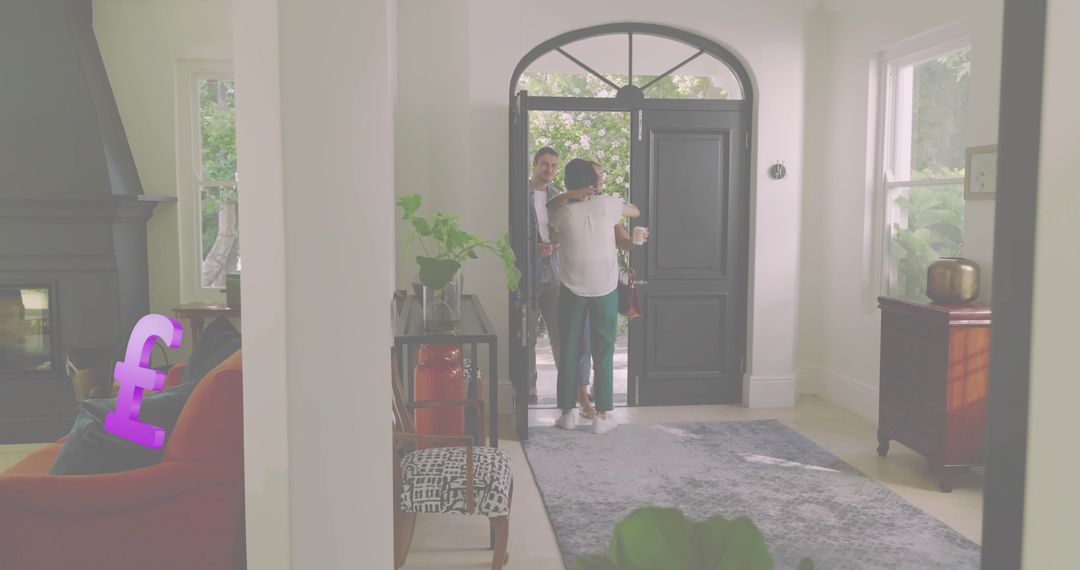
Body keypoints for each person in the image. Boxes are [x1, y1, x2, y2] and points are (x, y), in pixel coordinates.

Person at [547, 159, 644, 434]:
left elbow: (553, 229)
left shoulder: (561, 211)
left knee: (569, 350)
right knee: (604, 352)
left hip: (571, 288)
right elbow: (635, 211)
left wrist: (569, 198)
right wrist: (603, 196)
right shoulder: (610, 204)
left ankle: (567, 414)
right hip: (604, 288)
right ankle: (602, 416)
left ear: (567, 183)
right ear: (592, 181)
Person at [526, 147, 594, 414]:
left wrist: (554, 245)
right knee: (527, 337)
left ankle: (572, 392)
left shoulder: (558, 197)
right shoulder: (522, 193)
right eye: (545, 164)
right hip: (528, 276)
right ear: (534, 164)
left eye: (554, 166)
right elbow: (513, 230)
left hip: (555, 274)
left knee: (562, 336)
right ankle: (529, 388)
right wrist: (533, 248)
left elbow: (569, 230)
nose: (549, 170)